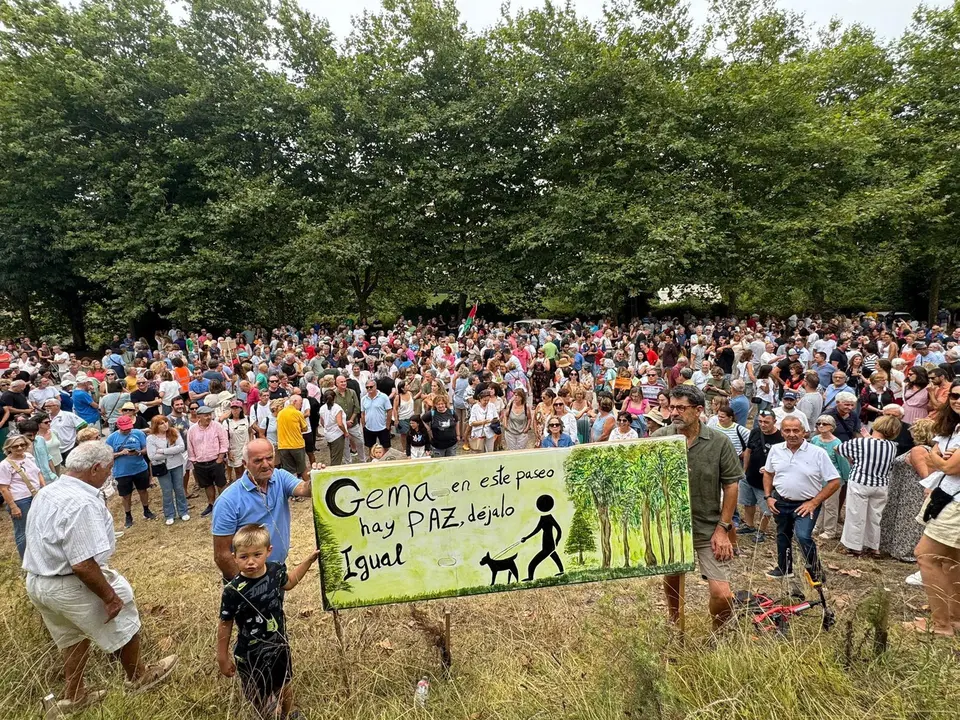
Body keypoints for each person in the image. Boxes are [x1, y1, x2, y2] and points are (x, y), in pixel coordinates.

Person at [22, 441, 177, 714]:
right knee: (124, 616)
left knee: (71, 637)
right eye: (108, 469)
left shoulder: (48, 492)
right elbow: (82, 563)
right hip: (70, 582)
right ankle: (138, 676)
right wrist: (110, 597)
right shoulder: (81, 502)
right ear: (94, 468)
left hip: (39, 581)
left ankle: (75, 695)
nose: (109, 474)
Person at [653, 386, 743, 630]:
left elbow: (731, 485)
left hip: (708, 527)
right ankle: (674, 618)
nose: (674, 412)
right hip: (671, 527)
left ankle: (719, 632)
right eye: (672, 407)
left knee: (722, 593)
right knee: (672, 576)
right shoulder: (661, 437)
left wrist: (723, 529)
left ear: (699, 410)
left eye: (681, 408)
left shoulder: (718, 442)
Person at [217, 523, 319, 718]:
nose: (251, 562)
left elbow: (289, 582)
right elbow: (225, 623)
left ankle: (288, 715)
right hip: (251, 654)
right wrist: (222, 656)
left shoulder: (275, 571)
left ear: (268, 551)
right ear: (234, 557)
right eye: (244, 557)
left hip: (279, 644)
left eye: (257, 554)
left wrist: (309, 560)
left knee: (285, 685)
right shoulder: (233, 590)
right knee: (260, 697)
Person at [211, 439, 315, 580]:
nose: (266, 465)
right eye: (258, 460)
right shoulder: (228, 501)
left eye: (269, 458)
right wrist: (246, 586)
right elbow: (222, 554)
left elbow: (305, 489)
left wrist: (318, 477)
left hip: (276, 568)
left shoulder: (280, 477)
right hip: (249, 577)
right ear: (245, 464)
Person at [908, 380, 960, 636]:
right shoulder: (954, 427)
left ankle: (941, 625)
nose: (958, 400)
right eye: (955, 395)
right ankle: (953, 619)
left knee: (926, 556)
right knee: (952, 561)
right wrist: (940, 458)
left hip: (956, 504)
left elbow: (949, 467)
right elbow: (933, 454)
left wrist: (940, 459)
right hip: (948, 496)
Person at [762, 416, 841, 579]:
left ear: (804, 432)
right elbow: (769, 473)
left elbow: (834, 481)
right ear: (782, 432)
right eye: (787, 430)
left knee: (802, 536)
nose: (792, 434)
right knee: (782, 534)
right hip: (780, 501)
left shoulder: (818, 453)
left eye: (796, 430)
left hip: (806, 504)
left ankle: (817, 573)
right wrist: (768, 496)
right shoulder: (776, 450)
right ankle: (784, 569)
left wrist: (814, 502)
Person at [880, 418, 935, 566]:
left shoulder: (919, 450)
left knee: (908, 522)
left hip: (910, 492)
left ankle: (905, 551)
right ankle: (896, 549)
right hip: (903, 490)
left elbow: (926, 475)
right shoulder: (929, 450)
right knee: (902, 521)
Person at [738, 409, 782, 543]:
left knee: (765, 508)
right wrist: (744, 470)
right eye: (760, 421)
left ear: (774, 422)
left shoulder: (780, 438)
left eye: (766, 422)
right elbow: (748, 451)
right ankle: (749, 525)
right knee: (748, 502)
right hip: (749, 475)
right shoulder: (755, 432)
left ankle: (761, 531)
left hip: (766, 480)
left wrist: (772, 471)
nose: (763, 425)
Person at [105, 415, 155, 528]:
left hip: (140, 468)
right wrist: (120, 453)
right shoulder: (111, 438)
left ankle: (146, 510)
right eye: (124, 428)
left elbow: (146, 449)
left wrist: (138, 452)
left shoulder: (138, 433)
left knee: (143, 490)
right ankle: (128, 516)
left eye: (129, 428)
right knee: (126, 495)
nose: (127, 430)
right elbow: (106, 455)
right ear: (118, 426)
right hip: (122, 472)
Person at [0, 434, 45, 558]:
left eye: (22, 445)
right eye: (16, 446)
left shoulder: (29, 457)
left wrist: (43, 487)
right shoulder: (4, 465)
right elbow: (4, 488)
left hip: (36, 495)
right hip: (20, 500)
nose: (20, 448)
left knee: (38, 526)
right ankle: (26, 559)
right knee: (23, 531)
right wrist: (13, 506)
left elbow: (38, 472)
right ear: (9, 448)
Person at [809, 415, 850, 541]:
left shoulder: (837, 443)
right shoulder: (815, 439)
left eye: (825, 424)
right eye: (819, 423)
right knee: (818, 503)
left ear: (832, 427)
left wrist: (844, 478)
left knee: (831, 505)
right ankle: (818, 526)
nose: (821, 426)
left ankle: (830, 530)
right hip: (817, 478)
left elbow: (843, 463)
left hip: (832, 479)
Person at [146, 415, 189, 526]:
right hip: (162, 467)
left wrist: (163, 451)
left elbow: (181, 447)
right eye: (161, 423)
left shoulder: (174, 432)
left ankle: (183, 511)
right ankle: (169, 514)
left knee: (179, 488)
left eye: (166, 422)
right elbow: (152, 456)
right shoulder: (150, 438)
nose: (165, 425)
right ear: (156, 426)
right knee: (167, 491)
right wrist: (171, 452)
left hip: (177, 464)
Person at [187, 406, 228, 518]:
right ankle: (211, 504)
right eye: (206, 415)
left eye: (210, 414)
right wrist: (194, 461)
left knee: (221, 483)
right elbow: (190, 445)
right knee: (207, 485)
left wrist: (220, 458)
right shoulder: (192, 430)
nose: (209, 417)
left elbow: (224, 442)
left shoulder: (217, 426)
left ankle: (224, 505)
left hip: (216, 461)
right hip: (200, 463)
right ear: (199, 416)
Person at [277, 395, 308, 481]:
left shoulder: (280, 413)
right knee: (303, 468)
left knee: (290, 470)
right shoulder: (298, 413)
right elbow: (305, 428)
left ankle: (293, 489)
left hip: (283, 446)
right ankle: (309, 488)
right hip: (297, 445)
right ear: (294, 402)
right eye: (300, 403)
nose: (301, 405)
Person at [360, 380, 393, 457]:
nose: (369, 389)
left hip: (382, 428)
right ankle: (372, 462)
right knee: (370, 448)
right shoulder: (363, 399)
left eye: (371, 387)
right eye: (367, 387)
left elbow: (389, 410)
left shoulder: (384, 397)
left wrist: (388, 425)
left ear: (375, 386)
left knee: (385, 447)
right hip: (369, 428)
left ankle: (385, 463)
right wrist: (364, 425)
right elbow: (363, 413)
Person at [222, 400, 251, 484]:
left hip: (246, 449)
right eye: (233, 408)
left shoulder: (247, 419)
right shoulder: (227, 422)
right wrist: (228, 452)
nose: (235, 410)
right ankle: (241, 486)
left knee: (248, 470)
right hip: (235, 450)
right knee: (238, 471)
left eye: (236, 408)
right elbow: (225, 438)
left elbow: (251, 431)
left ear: (240, 409)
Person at [318, 390, 347, 465]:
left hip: (328, 434)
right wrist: (345, 432)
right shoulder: (337, 408)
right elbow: (340, 424)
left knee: (332, 455)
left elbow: (322, 422)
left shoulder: (322, 408)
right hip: (337, 435)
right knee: (336, 458)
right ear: (335, 398)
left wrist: (327, 428)